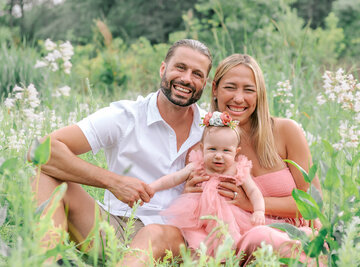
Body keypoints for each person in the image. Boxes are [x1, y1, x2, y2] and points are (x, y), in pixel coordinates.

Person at [30, 39, 212, 265]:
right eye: (180, 67)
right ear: (163, 68)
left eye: (197, 74)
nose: (187, 79)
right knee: (45, 176)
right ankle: (50, 261)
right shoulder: (125, 116)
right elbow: (39, 150)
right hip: (113, 227)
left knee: (154, 233)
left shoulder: (212, 129)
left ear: (205, 83)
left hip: (173, 236)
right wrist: (113, 182)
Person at [182, 53, 323, 264]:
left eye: (248, 90)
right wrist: (189, 193)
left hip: (295, 234)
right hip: (236, 241)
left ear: (259, 95)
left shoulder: (285, 131)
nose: (239, 98)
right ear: (215, 90)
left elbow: (312, 203)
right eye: (230, 87)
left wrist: (250, 203)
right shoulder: (203, 151)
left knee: (261, 237)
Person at [149, 111, 265, 256]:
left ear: (236, 151)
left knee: (229, 243)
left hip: (228, 217)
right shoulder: (198, 164)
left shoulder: (237, 169)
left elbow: (253, 191)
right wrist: (152, 187)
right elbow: (174, 178)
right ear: (202, 147)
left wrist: (259, 210)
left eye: (226, 151)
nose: (218, 155)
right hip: (196, 217)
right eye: (212, 149)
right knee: (196, 243)